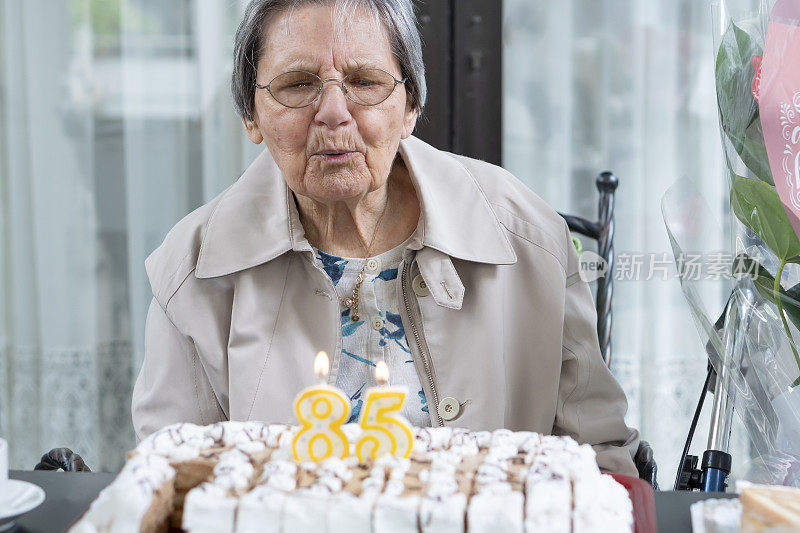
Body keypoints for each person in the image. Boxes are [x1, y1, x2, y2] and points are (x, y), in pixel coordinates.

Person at [131, 0, 639, 475]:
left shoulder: (528, 237)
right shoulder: (192, 272)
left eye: (365, 81)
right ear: (251, 115)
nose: (333, 112)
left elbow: (597, 459)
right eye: (297, 84)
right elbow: (175, 478)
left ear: (410, 106)